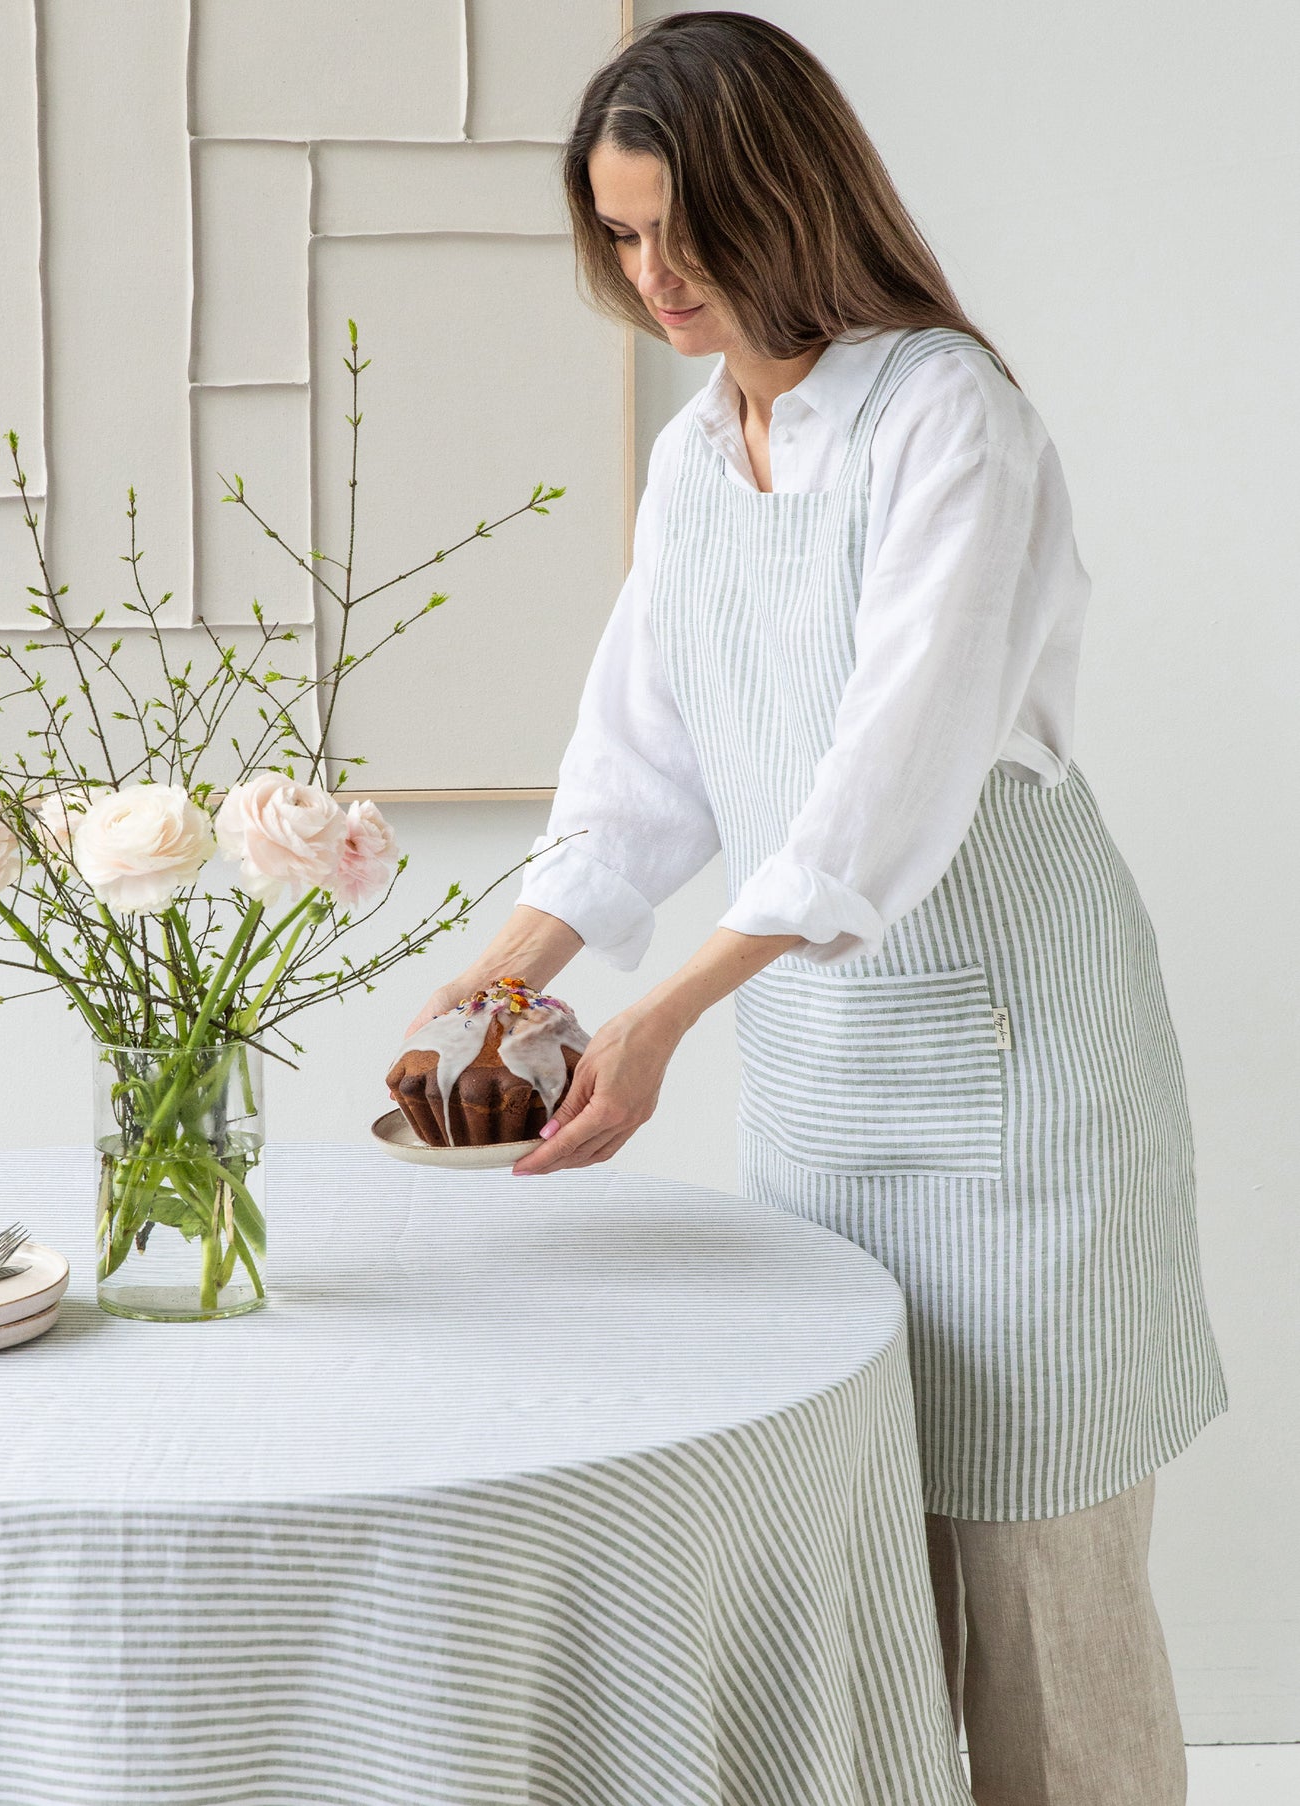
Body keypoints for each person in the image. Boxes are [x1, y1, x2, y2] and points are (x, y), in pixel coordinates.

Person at [404, 13, 1226, 1802]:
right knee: (846, 1597)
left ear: (788, 195)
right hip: (825, 1087)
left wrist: (654, 1018)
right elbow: (640, 763)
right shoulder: (701, 460)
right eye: (618, 238)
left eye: (680, 231)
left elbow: (891, 771)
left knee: (1040, 1616)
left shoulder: (951, 418)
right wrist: (504, 973)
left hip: (1021, 1090)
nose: (653, 276)